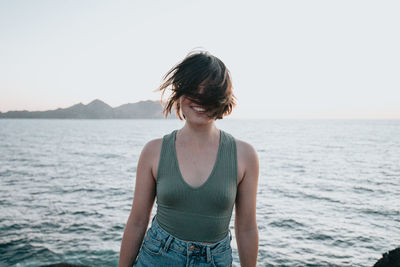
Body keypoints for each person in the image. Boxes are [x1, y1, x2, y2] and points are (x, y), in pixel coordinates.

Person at [118, 51, 259, 267]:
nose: (199, 98)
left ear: (223, 98)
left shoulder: (244, 155)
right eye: (193, 88)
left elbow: (247, 227)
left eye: (210, 91)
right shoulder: (154, 151)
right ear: (179, 91)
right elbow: (137, 221)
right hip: (157, 257)